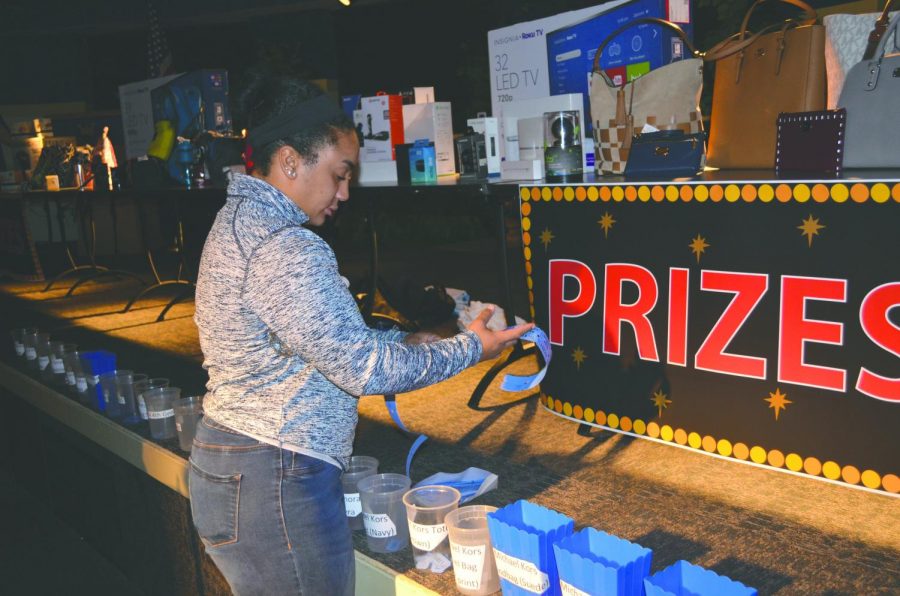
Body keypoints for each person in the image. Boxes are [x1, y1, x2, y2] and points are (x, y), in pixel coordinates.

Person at [188, 73, 533, 596]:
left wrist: (410, 343)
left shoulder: (238, 222)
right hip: (275, 477)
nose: (345, 192)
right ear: (289, 162)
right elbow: (363, 369)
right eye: (340, 173)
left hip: (234, 465)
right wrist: (470, 349)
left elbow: (317, 343)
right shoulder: (286, 247)